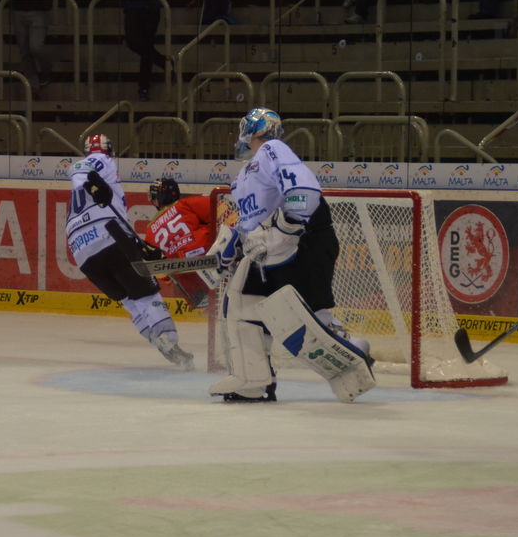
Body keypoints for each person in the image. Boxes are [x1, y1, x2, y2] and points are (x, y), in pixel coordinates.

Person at [207, 107, 375, 403]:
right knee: (242, 307)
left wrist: (286, 229)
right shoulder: (244, 176)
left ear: (250, 130)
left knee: (309, 320)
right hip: (273, 254)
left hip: (303, 241)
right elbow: (252, 225)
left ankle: (355, 351)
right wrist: (232, 245)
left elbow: (304, 191)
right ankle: (252, 381)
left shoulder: (272, 149)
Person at [65, 133, 194, 370]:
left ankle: (159, 342)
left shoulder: (83, 189)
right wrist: (91, 183)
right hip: (107, 236)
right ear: (110, 151)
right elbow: (80, 171)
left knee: (129, 300)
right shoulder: (102, 161)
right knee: (146, 293)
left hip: (81, 253)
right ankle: (169, 341)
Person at [143, 178, 215, 309]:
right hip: (209, 254)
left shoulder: (150, 232)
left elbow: (162, 274)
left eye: (154, 198)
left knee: (175, 277)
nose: (153, 202)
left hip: (189, 281)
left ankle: (199, 297)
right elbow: (219, 208)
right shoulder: (185, 204)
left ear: (160, 197)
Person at [109, 0, 168, 102]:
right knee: (135, 43)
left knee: (146, 46)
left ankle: (144, 88)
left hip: (150, 4)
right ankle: (163, 63)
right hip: (132, 5)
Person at [6, 0, 53, 100]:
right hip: (19, 8)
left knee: (36, 47)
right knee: (24, 51)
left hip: (37, 9)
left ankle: (46, 70)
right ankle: (33, 87)